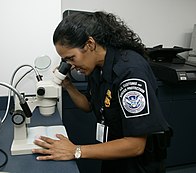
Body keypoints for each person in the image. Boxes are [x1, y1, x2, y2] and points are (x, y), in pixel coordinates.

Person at [32, 11, 172, 173]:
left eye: (71, 58)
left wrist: (76, 150)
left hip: (138, 164)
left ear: (90, 44)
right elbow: (88, 106)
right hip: (112, 151)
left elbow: (135, 145)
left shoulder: (130, 72)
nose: (70, 65)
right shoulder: (96, 66)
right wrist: (69, 86)